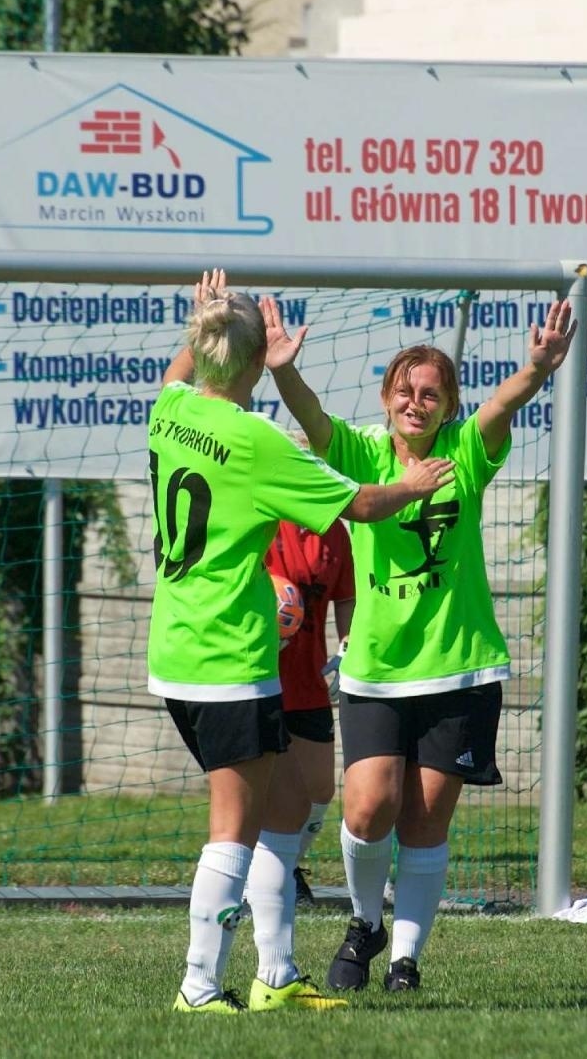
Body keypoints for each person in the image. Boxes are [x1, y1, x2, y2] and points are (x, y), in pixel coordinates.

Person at [154, 270, 451, 1014]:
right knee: (234, 831)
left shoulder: (170, 409)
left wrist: (206, 318)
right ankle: (198, 985)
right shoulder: (256, 441)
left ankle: (278, 974)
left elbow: (176, 372)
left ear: (200, 348)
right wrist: (415, 486)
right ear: (258, 362)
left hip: (175, 649)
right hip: (229, 656)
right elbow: (363, 504)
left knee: (285, 809)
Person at [270, 296, 576, 992]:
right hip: (376, 669)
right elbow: (312, 419)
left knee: (425, 821)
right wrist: (284, 370)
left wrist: (537, 368)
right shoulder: (363, 452)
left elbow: (502, 406)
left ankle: (404, 959)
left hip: (459, 669)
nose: (417, 402)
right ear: (387, 399)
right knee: (367, 807)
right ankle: (363, 923)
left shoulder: (465, 452)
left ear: (447, 406)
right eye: (406, 391)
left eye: (431, 394)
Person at [259, 518, 356, 909]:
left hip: (307, 681)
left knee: (319, 790)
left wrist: (348, 645)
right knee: (257, 791)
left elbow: (347, 596)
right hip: (257, 677)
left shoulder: (334, 532)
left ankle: (286, 869)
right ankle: (257, 877)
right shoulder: (263, 520)